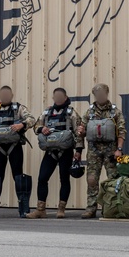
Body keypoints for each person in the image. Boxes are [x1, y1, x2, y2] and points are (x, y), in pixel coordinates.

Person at [27, 87, 83, 219]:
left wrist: (79, 151)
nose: (57, 99)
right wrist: (42, 129)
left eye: (60, 96)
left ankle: (61, 209)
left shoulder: (71, 113)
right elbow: (36, 126)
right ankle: (40, 209)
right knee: (42, 178)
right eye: (55, 96)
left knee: (64, 179)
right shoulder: (46, 112)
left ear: (65, 97)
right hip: (50, 152)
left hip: (66, 151)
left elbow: (79, 133)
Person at [0, 86, 36, 218]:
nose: (5, 96)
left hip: (14, 146)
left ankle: (23, 208)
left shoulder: (19, 108)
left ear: (11, 95)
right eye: (3, 94)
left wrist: (22, 125)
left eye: (7, 94)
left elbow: (32, 120)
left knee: (18, 175)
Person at [77, 83, 126, 219]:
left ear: (107, 93)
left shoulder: (115, 112)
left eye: (102, 94)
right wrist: (81, 132)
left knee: (113, 179)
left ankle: (113, 207)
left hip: (111, 150)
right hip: (93, 150)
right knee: (92, 179)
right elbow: (81, 131)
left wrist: (119, 149)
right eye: (97, 95)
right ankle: (91, 208)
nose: (100, 97)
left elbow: (122, 131)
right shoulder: (89, 112)